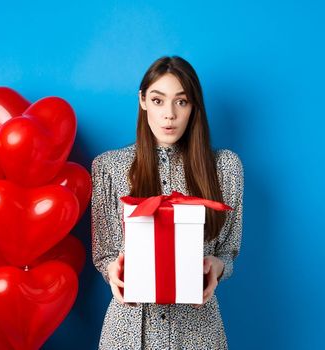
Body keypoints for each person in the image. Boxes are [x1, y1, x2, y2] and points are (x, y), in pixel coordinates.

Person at [91, 56, 244, 349]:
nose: (169, 115)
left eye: (181, 102)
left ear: (194, 107)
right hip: (130, 333)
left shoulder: (225, 168)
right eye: (158, 100)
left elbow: (227, 250)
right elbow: (105, 253)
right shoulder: (108, 168)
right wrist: (113, 270)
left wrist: (217, 265)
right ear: (143, 100)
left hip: (198, 332)